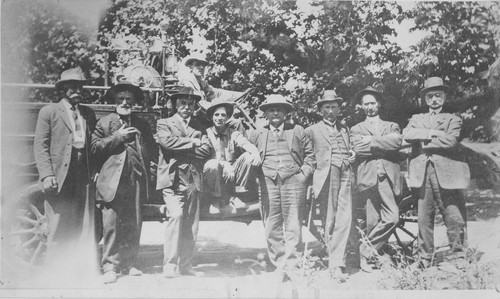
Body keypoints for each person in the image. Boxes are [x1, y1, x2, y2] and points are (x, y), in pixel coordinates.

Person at [402, 77, 470, 267]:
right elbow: (407, 134)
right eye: (430, 96)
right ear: (425, 99)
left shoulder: (453, 118)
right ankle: (425, 258)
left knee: (453, 215)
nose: (434, 100)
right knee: (424, 217)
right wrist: (433, 133)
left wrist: (422, 140)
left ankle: (458, 255)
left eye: (438, 96)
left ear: (444, 97)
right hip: (422, 173)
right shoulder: (416, 119)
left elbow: (451, 141)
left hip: (447, 173)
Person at [91, 81, 155, 283]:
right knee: (111, 224)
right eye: (121, 99)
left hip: (134, 178)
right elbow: (94, 148)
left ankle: (130, 264)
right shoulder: (104, 122)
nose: (125, 103)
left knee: (133, 222)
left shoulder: (142, 124)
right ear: (115, 101)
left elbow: (151, 149)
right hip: (112, 180)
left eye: (129, 99)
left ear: (134, 102)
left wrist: (150, 172)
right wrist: (118, 136)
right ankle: (110, 266)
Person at [248, 94, 315, 281]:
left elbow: (310, 156)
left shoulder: (298, 130)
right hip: (267, 181)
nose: (275, 112)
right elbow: (248, 157)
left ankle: (292, 265)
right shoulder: (257, 133)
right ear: (266, 114)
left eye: (279, 109)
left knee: (293, 224)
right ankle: (279, 264)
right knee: (272, 224)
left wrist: (303, 176)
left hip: (294, 181)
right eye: (271, 109)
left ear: (286, 112)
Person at [34, 67, 97, 259]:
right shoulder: (49, 112)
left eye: (79, 86)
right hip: (60, 175)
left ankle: (76, 266)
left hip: (82, 174)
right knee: (57, 220)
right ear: (62, 90)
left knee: (82, 220)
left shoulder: (87, 113)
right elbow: (41, 145)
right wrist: (47, 175)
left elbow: (93, 145)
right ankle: (54, 267)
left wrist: (95, 169)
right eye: (72, 87)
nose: (77, 90)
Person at [156, 86, 212, 278]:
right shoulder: (164, 123)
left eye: (190, 104)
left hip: (193, 179)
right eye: (182, 103)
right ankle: (170, 264)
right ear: (175, 105)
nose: (186, 107)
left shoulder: (200, 126)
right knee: (176, 216)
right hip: (172, 181)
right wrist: (192, 143)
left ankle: (185, 265)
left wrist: (185, 146)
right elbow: (166, 143)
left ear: (195, 106)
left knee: (191, 224)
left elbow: (206, 150)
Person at [350, 87, 403, 273]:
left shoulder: (392, 125)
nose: (370, 107)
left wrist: (371, 140)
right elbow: (359, 149)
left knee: (392, 217)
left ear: (378, 104)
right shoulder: (356, 129)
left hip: (388, 176)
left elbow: (396, 143)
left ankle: (364, 251)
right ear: (361, 106)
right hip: (367, 177)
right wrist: (383, 142)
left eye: (373, 103)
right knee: (372, 220)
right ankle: (377, 257)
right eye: (366, 104)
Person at [305, 90, 355, 282]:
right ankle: (335, 264)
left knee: (345, 218)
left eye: (334, 107)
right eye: (327, 107)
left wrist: (352, 155)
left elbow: (349, 149)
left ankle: (337, 262)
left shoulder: (344, 130)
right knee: (330, 219)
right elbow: (308, 156)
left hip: (346, 174)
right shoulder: (312, 130)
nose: (331, 111)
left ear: (339, 109)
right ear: (320, 110)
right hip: (327, 176)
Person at [203, 99, 261, 213]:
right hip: (214, 174)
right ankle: (215, 199)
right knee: (212, 164)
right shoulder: (206, 133)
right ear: (211, 117)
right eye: (216, 115)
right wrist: (224, 164)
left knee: (248, 156)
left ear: (228, 117)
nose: (220, 118)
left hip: (232, 175)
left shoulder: (233, 133)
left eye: (223, 115)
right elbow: (205, 158)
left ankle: (238, 195)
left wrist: (255, 153)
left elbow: (245, 143)